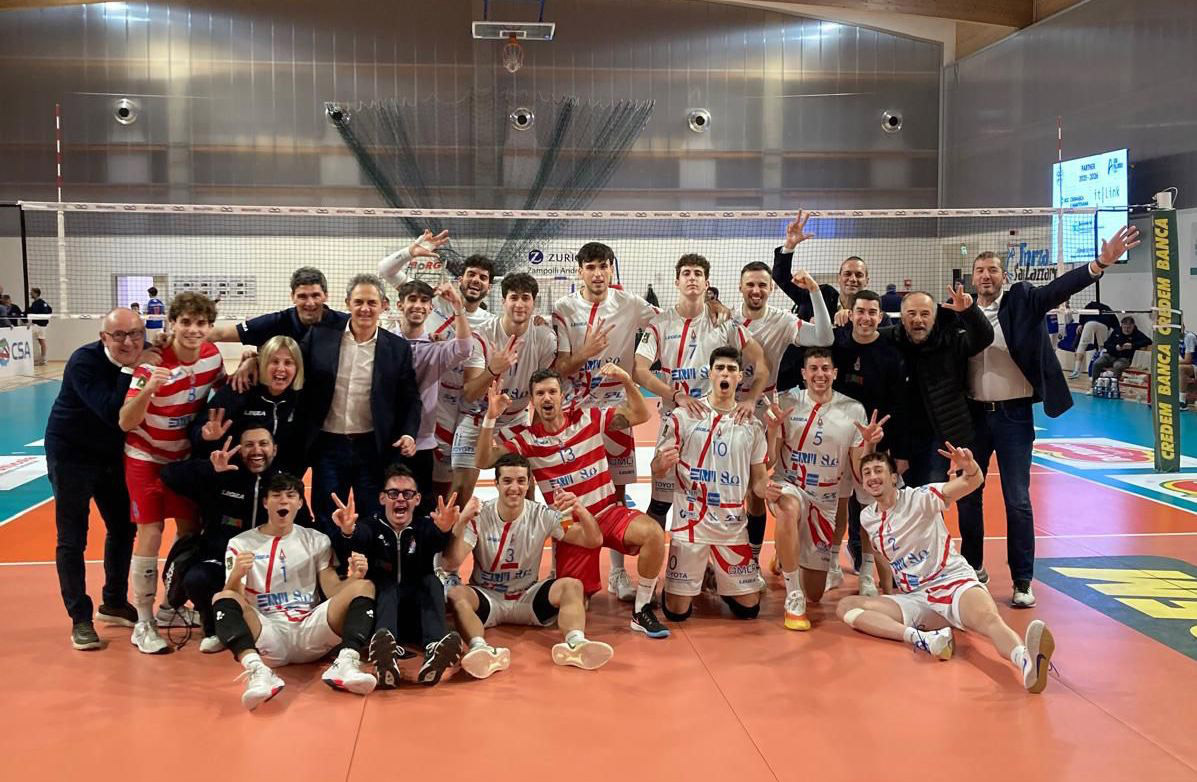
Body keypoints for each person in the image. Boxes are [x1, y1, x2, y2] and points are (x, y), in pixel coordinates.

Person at [961, 225, 1139, 606]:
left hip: (1013, 417)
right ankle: (972, 568)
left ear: (1003, 276)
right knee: (968, 495)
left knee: (1017, 500)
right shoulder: (963, 312)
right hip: (973, 417)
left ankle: (1022, 580)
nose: (986, 276)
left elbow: (1058, 289)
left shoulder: (1023, 300)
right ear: (972, 278)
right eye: (980, 271)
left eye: (993, 270)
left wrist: (1099, 264)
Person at [836, 449, 1057, 694]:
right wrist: (887, 592)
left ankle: (1025, 660)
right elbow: (882, 556)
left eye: (878, 470)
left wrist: (970, 468)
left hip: (953, 583)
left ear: (893, 477)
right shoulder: (868, 517)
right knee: (847, 607)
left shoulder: (921, 498)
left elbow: (972, 482)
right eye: (867, 473)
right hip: (917, 599)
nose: (872, 477)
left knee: (988, 620)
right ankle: (925, 640)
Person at [474, 367, 670, 638]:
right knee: (577, 603)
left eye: (552, 392)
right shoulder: (527, 441)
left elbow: (641, 414)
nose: (547, 398)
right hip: (570, 525)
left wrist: (626, 379)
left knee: (654, 533)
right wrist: (490, 418)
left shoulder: (589, 418)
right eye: (540, 393)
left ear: (561, 396)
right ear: (532, 401)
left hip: (608, 512)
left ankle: (642, 609)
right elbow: (483, 460)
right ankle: (573, 636)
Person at [212, 473, 380, 710]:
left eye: (291, 496)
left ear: (300, 503)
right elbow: (234, 598)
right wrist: (236, 574)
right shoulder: (240, 543)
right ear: (265, 502)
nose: (283, 501)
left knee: (364, 586)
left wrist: (354, 578)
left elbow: (332, 589)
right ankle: (257, 671)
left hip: (310, 630)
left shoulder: (316, 540)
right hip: (268, 633)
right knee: (222, 597)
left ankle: (346, 662)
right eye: (276, 495)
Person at [634, 254, 769, 542]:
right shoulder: (660, 324)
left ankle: (727, 559)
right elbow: (640, 370)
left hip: (717, 425)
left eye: (698, 273)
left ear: (707, 283)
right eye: (686, 273)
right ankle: (654, 562)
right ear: (677, 281)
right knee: (660, 501)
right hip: (674, 421)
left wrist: (750, 399)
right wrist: (675, 395)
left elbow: (761, 363)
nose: (692, 278)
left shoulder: (724, 322)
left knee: (716, 496)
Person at [552, 241, 660, 599]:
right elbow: (560, 368)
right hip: (576, 414)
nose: (598, 274)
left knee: (618, 491)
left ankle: (617, 573)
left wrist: (712, 305)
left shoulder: (631, 304)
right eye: (591, 267)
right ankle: (560, 570)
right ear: (580, 271)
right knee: (569, 493)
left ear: (611, 269)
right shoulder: (564, 309)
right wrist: (586, 353)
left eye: (603, 266)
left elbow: (667, 320)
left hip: (617, 411)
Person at [119, 292, 226, 653]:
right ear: (172, 324)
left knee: (190, 532)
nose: (193, 330)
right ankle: (144, 621)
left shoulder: (212, 357)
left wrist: (247, 365)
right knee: (150, 533)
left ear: (209, 327)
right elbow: (125, 421)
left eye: (201, 323)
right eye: (186, 322)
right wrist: (148, 389)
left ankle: (171, 606)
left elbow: (223, 389)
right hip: (146, 456)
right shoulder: (151, 364)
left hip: (183, 460)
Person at [443, 453, 615, 678]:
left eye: (521, 481)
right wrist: (462, 522)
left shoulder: (544, 515)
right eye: (507, 481)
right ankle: (480, 649)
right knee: (456, 594)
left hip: (527, 596)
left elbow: (593, 540)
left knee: (572, 586)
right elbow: (452, 561)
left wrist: (580, 510)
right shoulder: (478, 515)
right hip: (488, 597)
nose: (514, 488)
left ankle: (576, 644)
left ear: (529, 483)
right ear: (496, 484)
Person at [46, 307, 155, 650]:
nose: (129, 342)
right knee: (72, 537)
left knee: (124, 528)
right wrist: (132, 369)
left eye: (136, 334)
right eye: (119, 335)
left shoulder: (145, 349)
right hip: (71, 454)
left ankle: (114, 602)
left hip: (110, 455)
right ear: (103, 338)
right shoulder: (84, 362)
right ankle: (80, 618)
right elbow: (111, 411)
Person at [161, 426, 311, 651]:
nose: (256, 450)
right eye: (249, 445)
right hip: (223, 561)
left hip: (270, 567)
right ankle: (214, 628)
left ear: (274, 449)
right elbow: (168, 474)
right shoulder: (223, 475)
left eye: (263, 444)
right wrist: (209, 469)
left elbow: (306, 526)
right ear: (240, 451)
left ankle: (276, 625)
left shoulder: (283, 484)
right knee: (197, 578)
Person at [767, 347, 886, 630]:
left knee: (816, 594)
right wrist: (772, 430)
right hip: (790, 484)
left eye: (825, 369)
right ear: (803, 373)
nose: (819, 374)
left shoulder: (853, 410)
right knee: (788, 508)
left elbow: (858, 471)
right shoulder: (787, 402)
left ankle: (786, 555)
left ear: (834, 373)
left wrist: (869, 445)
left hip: (825, 500)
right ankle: (793, 596)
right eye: (813, 369)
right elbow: (770, 460)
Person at [650, 347, 770, 622]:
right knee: (676, 613)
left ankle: (715, 576)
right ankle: (688, 577)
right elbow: (655, 469)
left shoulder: (751, 424)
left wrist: (773, 493)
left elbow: (759, 483)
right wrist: (662, 463)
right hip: (691, 525)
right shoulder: (684, 416)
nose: (725, 373)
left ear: (740, 377)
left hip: (731, 527)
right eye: (720, 368)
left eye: (731, 369)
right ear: (711, 373)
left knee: (749, 609)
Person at [733, 260, 833, 576]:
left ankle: (752, 560)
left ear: (771, 289)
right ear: (740, 287)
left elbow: (824, 338)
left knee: (758, 489)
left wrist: (814, 291)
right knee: (728, 488)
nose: (756, 290)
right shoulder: (726, 318)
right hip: (726, 407)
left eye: (762, 285)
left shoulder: (782, 320)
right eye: (750, 284)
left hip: (763, 408)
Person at [301, 273, 420, 535]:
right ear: (348, 303)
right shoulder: (319, 337)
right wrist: (253, 360)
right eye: (358, 302)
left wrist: (409, 433)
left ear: (383, 305)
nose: (365, 308)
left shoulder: (397, 348)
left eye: (371, 302)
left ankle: (368, 560)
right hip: (328, 445)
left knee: (373, 516)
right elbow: (293, 367)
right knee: (327, 515)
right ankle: (331, 560)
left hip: (372, 447)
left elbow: (410, 398)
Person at [328, 464, 464, 688]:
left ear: (417, 499)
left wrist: (444, 530)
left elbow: (437, 541)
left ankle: (433, 649)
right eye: (393, 493)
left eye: (407, 494)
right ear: (382, 498)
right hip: (382, 615)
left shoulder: (424, 527)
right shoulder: (371, 526)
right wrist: (348, 530)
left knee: (432, 581)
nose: (400, 499)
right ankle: (386, 653)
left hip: (417, 616)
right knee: (385, 585)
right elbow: (358, 538)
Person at [380, 238, 496, 501]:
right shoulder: (431, 300)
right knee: (414, 475)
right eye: (471, 274)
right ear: (460, 278)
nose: (476, 280)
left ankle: (445, 521)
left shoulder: (490, 322)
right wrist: (411, 252)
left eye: (483, 277)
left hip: (464, 403)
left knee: (457, 477)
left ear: (489, 286)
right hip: (433, 395)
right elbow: (386, 270)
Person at [455, 272, 557, 505]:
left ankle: (526, 527)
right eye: (514, 297)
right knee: (459, 490)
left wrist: (536, 436)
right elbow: (470, 394)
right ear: (503, 301)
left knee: (525, 484)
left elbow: (543, 393)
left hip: (515, 417)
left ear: (534, 303)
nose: (519, 304)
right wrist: (494, 369)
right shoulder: (482, 336)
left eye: (525, 298)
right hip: (478, 414)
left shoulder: (544, 338)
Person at [830, 289, 908, 585]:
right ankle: (832, 566)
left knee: (869, 508)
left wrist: (896, 450)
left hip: (875, 443)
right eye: (860, 311)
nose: (866, 318)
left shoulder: (890, 352)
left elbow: (898, 404)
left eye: (872, 312)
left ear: (880, 316)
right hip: (838, 440)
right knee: (838, 505)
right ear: (850, 314)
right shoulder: (838, 344)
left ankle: (866, 571)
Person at [770, 210, 890, 392]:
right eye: (847, 274)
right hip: (804, 382)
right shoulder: (819, 294)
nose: (853, 279)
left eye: (859, 275)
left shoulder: (873, 315)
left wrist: (847, 322)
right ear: (839, 278)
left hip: (848, 385)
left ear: (867, 280)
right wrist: (790, 245)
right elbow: (781, 278)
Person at [885, 286, 993, 487]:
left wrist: (969, 312)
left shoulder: (951, 340)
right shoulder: (890, 340)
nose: (918, 319)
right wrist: (845, 317)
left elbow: (984, 337)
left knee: (933, 494)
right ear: (902, 317)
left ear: (934, 318)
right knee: (903, 495)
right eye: (911, 313)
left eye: (925, 314)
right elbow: (862, 337)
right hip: (902, 437)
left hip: (940, 436)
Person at [388, 279, 472, 516]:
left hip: (422, 443)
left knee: (421, 508)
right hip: (386, 441)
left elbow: (465, 348)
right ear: (399, 305)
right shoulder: (384, 343)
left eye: (424, 300)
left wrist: (457, 305)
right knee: (384, 506)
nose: (418, 305)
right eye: (412, 299)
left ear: (430, 308)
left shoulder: (436, 349)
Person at [209, 267, 349, 392]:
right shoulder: (276, 322)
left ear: (326, 295)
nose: (310, 303)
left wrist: (255, 360)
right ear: (292, 297)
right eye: (302, 296)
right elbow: (220, 334)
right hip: (285, 399)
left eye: (315, 295)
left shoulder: (345, 324)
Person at [189, 335, 306, 476]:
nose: (281, 368)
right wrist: (205, 436)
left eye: (288, 363)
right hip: (232, 474)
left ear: (297, 368)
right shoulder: (239, 388)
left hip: (274, 479)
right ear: (262, 364)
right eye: (274, 361)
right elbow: (197, 430)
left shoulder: (300, 398)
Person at [1092, 315, 1152, 382]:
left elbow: (1148, 341)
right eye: (1124, 327)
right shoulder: (1116, 331)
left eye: (1129, 328)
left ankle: (1114, 385)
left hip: (1125, 358)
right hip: (1111, 355)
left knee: (1117, 366)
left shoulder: (1137, 334)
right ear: (1122, 325)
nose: (1126, 329)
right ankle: (1094, 383)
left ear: (1133, 326)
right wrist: (1115, 347)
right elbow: (1106, 344)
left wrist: (1132, 345)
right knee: (1097, 363)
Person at [1069, 300, 1120, 378]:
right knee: (1102, 348)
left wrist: (1081, 324)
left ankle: (1076, 370)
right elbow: (1116, 325)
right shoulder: (1107, 308)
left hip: (1090, 323)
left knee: (1082, 345)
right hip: (1103, 325)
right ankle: (1100, 370)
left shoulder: (1090, 305)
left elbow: (1082, 313)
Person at [28, 287, 51, 366]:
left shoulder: (42, 303)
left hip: (40, 325)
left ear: (36, 293)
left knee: (42, 341)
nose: (30, 293)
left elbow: (48, 311)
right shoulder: (34, 303)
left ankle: (43, 359)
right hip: (37, 325)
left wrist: (41, 321)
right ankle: (40, 359)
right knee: (40, 341)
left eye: (32, 292)